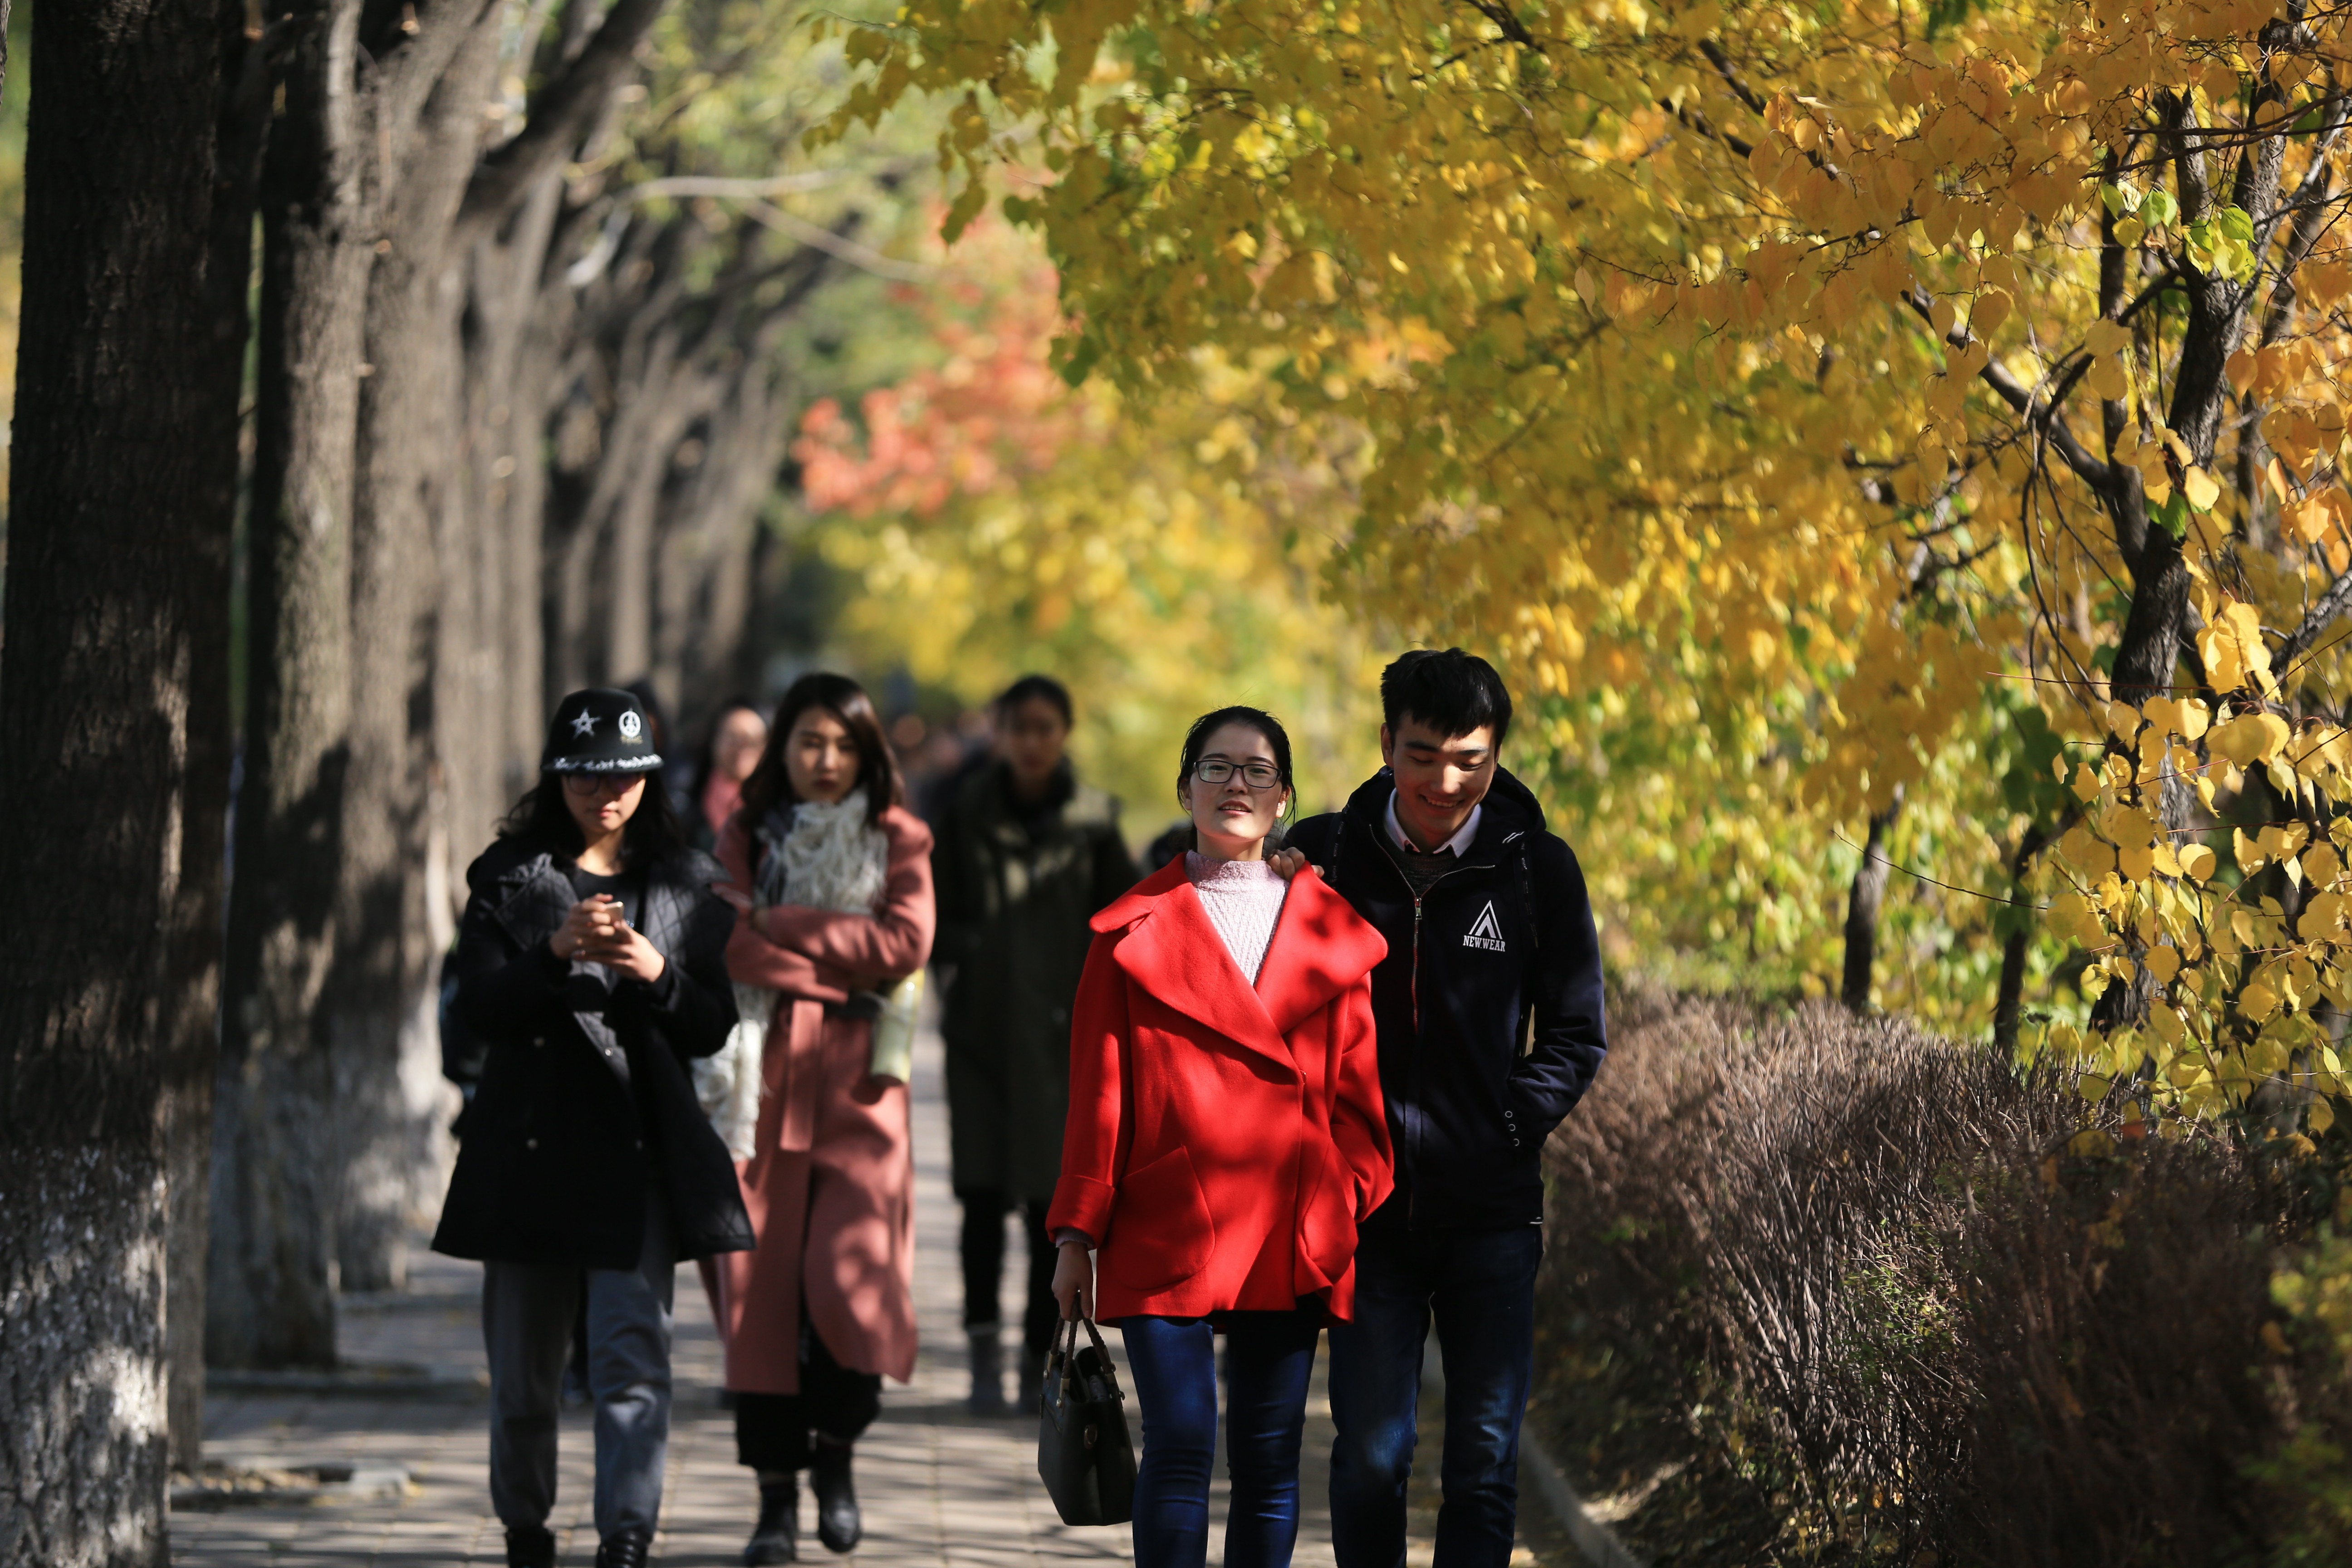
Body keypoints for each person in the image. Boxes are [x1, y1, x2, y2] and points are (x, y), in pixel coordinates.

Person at [1281, 649, 1607, 1568]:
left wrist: (1510, 1123)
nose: (1445, 780)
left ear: (1498, 756)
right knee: (1370, 1461)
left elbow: (1578, 1034)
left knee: (1485, 1464)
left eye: (1471, 759)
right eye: (1423, 755)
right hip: (1365, 1218)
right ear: (1387, 745)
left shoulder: (1539, 870)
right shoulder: (1323, 858)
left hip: (1493, 1219)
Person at [1049, 706, 1394, 1568]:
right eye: (1215, 767)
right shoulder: (1127, 932)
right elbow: (1098, 1097)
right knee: (1177, 1448)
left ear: (1283, 799)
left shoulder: (1329, 931)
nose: (1234, 785)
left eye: (1255, 771)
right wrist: (1073, 1234)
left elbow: (1359, 1095)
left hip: (1287, 1219)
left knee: (1269, 1460)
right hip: (1162, 1215)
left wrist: (1338, 1195)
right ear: (1183, 787)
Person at [433, 687, 755, 1568]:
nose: (604, 793)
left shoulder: (685, 886)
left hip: (636, 1150)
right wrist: (553, 955)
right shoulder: (507, 877)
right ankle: (526, 1531)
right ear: (557, 775)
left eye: (622, 776)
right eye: (584, 775)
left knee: (631, 1363)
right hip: (527, 1148)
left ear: (649, 779)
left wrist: (655, 970)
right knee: (526, 1377)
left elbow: (712, 1024)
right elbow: (481, 1013)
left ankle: (626, 1534)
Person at [710, 672, 935, 1564]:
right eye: (809, 742)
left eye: (843, 744)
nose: (827, 760)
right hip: (760, 1087)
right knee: (759, 1301)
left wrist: (784, 925)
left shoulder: (901, 836)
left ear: (867, 752)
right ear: (783, 750)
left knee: (854, 1285)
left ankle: (836, 1458)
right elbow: (725, 941)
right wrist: (835, 968)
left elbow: (906, 943)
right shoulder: (744, 830)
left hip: (861, 1092)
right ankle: (774, 1504)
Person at [931, 673, 1137, 1413]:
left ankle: (1032, 1360)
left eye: (1045, 728)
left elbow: (1126, 916)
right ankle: (984, 1359)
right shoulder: (965, 813)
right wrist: (979, 948)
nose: (1031, 743)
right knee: (980, 1199)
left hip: (1058, 1045)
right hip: (981, 1039)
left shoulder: (1093, 820)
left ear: (1064, 734)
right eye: (1019, 728)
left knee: (1047, 1210)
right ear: (1001, 734)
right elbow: (936, 914)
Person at [690, 697, 769, 851]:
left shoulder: (779, 816)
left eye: (752, 740)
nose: (742, 748)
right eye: (733, 738)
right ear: (714, 740)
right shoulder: (684, 807)